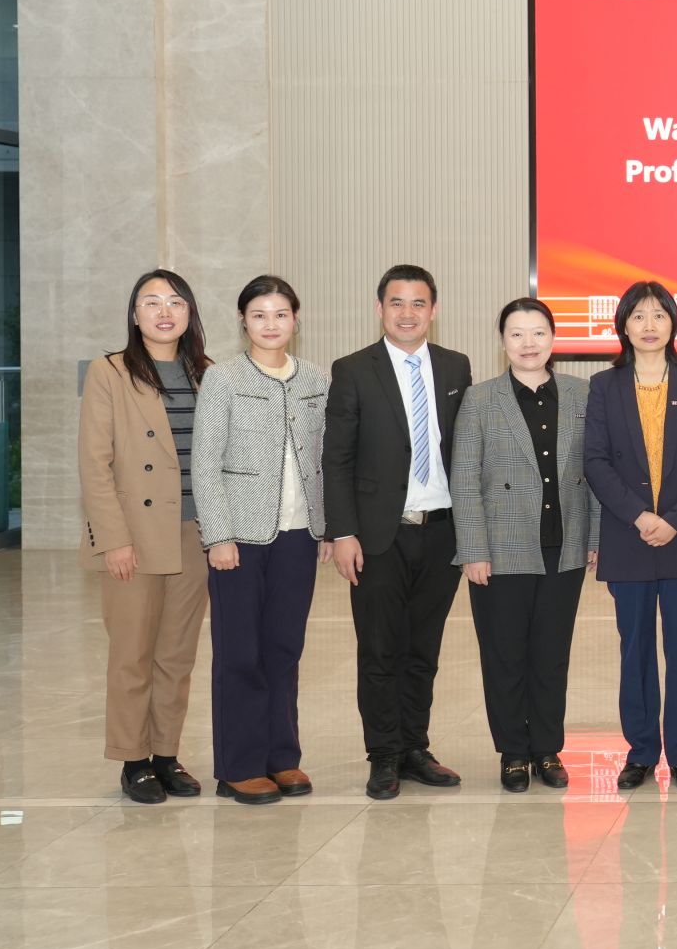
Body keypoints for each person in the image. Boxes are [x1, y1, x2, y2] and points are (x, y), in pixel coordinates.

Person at [323, 264, 474, 800]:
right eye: (396, 302)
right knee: (380, 650)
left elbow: (464, 449)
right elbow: (336, 459)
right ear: (379, 308)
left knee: (423, 650)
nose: (407, 313)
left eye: (417, 303)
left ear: (434, 310)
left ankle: (414, 747)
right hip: (377, 536)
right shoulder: (352, 369)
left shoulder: (456, 366)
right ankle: (384, 753)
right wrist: (343, 532)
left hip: (442, 532)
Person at [191, 276, 330, 804]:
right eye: (259, 315)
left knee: (284, 648)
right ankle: (239, 765)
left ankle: (281, 757)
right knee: (240, 652)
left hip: (299, 535)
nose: (271, 324)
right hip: (240, 539)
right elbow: (205, 463)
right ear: (243, 320)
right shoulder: (223, 379)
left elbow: (325, 458)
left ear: (296, 318)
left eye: (280, 314)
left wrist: (325, 527)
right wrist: (218, 535)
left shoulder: (315, 379)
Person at [79, 269, 215, 804]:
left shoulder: (207, 373)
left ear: (189, 313)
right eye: (151, 302)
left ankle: (165, 754)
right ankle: (132, 759)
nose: (164, 311)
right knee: (132, 653)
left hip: (194, 532)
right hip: (134, 534)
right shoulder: (110, 372)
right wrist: (113, 539)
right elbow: (94, 463)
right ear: (135, 315)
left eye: (175, 302)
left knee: (176, 655)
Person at [450, 298, 597, 792]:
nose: (528, 343)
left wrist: (596, 537)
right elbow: (464, 478)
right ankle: (513, 751)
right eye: (516, 334)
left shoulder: (580, 394)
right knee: (505, 655)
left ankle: (547, 749)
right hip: (500, 547)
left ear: (553, 339)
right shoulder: (480, 399)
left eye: (538, 333)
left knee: (552, 655)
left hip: (564, 546)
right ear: (502, 341)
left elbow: (595, 471)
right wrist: (473, 549)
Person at [584, 281, 677, 794]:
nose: (648, 325)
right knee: (635, 650)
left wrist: (674, 519)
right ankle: (641, 752)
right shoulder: (604, 386)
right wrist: (640, 516)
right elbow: (595, 460)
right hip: (628, 537)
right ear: (623, 324)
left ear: (672, 324)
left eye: (658, 315)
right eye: (638, 315)